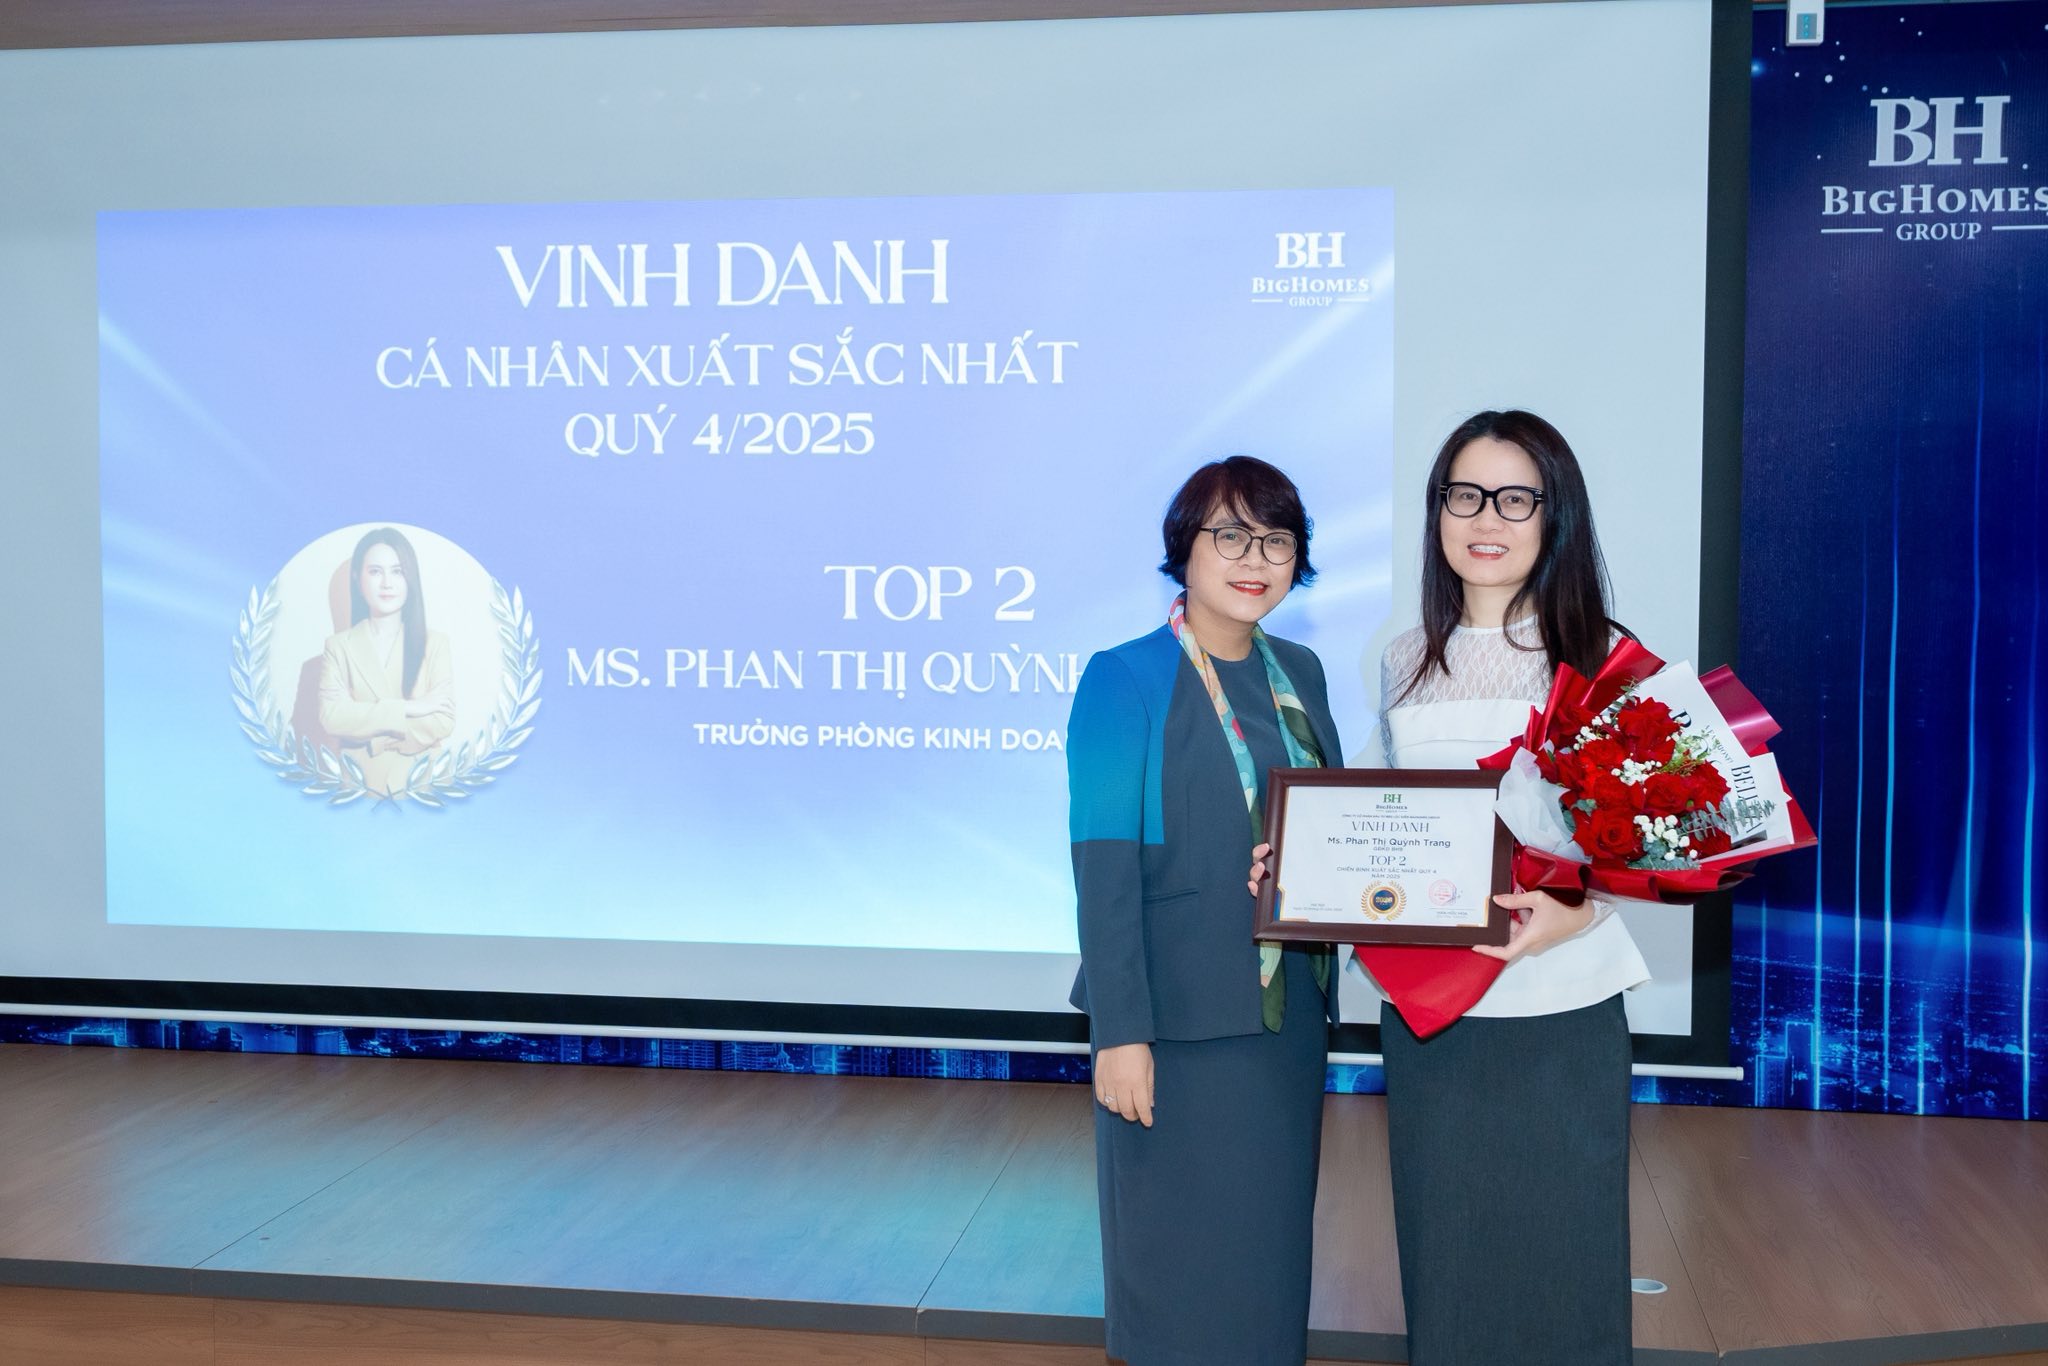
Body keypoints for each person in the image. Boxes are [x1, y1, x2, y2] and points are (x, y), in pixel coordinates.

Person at [1362, 410, 1650, 1365]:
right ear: (1438, 511)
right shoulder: (1402, 658)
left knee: (1566, 1257)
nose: (1486, 518)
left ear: (1553, 515)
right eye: (1465, 495)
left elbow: (1659, 833)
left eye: (1515, 498)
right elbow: (1375, 815)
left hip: (1562, 1004)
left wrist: (1576, 910)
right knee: (1448, 1257)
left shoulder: (1601, 653)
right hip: (1435, 1014)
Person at [1067, 455, 1343, 1366]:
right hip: (1174, 1024)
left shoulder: (1300, 671)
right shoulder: (1126, 678)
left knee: (1266, 1265)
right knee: (1176, 1269)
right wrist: (1121, 1032)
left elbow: (1327, 826)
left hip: (1285, 1018)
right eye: (1230, 536)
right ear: (1183, 549)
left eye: (1275, 539)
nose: (1254, 558)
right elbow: (1104, 867)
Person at [317, 527, 455, 797]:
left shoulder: (435, 643)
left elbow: (443, 719)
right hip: (359, 785)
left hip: (422, 783)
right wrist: (410, 707)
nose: (387, 583)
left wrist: (373, 735)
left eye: (397, 571)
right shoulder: (338, 646)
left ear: (410, 578)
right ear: (358, 579)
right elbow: (332, 718)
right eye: (375, 572)